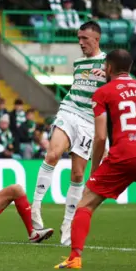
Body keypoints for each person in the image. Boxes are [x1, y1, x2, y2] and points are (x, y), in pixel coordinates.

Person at [55, 49, 136, 269]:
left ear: (108, 68)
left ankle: (75, 258)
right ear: (130, 67)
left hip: (124, 153)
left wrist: (95, 167)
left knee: (85, 204)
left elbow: (100, 137)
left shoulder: (103, 92)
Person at [31, 21, 107, 245]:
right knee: (52, 154)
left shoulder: (107, 62)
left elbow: (121, 82)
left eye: (85, 38)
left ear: (97, 39)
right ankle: (35, 207)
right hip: (69, 111)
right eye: (79, 38)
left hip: (89, 122)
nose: (80, 42)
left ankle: (67, 224)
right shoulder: (78, 63)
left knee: (77, 175)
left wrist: (105, 75)